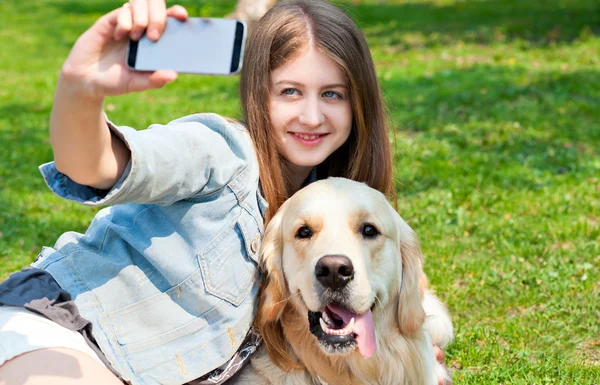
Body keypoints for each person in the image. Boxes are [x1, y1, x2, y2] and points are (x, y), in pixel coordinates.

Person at [0, 1, 447, 384]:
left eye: (332, 94)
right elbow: (96, 166)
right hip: (66, 328)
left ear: (358, 103)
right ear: (258, 95)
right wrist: (82, 88)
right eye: (290, 91)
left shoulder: (329, 198)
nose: (311, 115)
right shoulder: (219, 153)